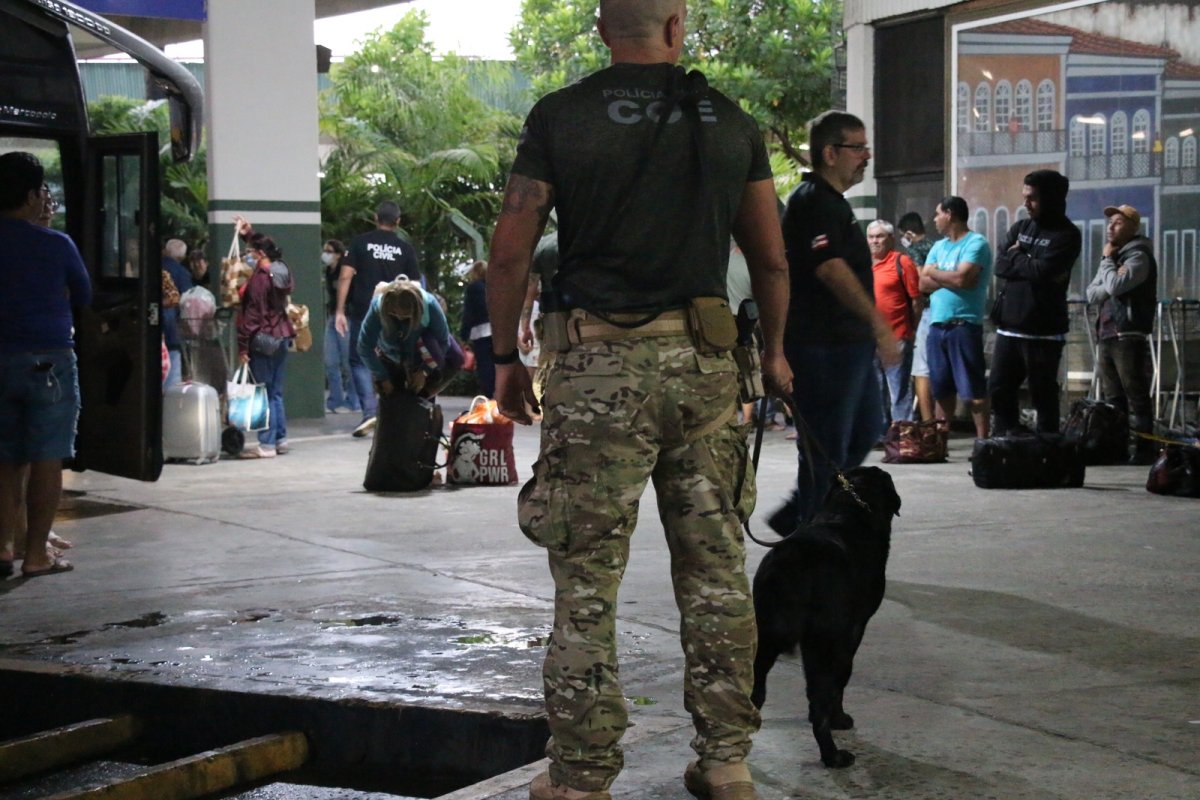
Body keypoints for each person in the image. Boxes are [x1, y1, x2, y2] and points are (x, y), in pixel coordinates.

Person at [485, 2, 793, 798]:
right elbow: (771, 262)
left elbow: (510, 248)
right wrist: (778, 352)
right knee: (717, 571)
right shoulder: (729, 119)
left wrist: (502, 359)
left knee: (586, 580)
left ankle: (582, 778)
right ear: (677, 24)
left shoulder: (562, 116)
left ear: (600, 27)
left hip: (595, 376)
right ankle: (726, 762)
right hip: (707, 369)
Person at [769, 110, 899, 532]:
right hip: (821, 346)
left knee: (866, 430)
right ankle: (810, 533)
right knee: (826, 447)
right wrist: (879, 324)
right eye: (857, 147)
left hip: (847, 345)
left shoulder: (834, 204)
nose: (866, 156)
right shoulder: (813, 202)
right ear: (830, 153)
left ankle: (800, 514)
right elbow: (830, 268)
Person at [0, 151, 92, 578]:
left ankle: (4, 547)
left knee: (6, 457)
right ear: (35, 195)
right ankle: (36, 554)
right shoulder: (56, 244)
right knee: (46, 457)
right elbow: (85, 297)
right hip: (49, 361)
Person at [990, 170, 1082, 435]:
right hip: (1009, 327)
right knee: (998, 387)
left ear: (1051, 199)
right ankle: (1008, 440)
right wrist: (1027, 261)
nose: (1026, 204)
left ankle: (1047, 448)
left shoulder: (1067, 235)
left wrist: (1017, 258)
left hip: (1043, 330)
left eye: (1033, 198)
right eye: (1024, 197)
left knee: (1042, 394)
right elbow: (999, 265)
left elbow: (1043, 272)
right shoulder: (1021, 227)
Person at [334, 201, 421, 438]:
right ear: (398, 221)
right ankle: (395, 415)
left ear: (375, 218)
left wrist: (340, 310)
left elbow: (345, 275)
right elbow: (415, 285)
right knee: (396, 359)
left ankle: (370, 412)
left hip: (365, 310)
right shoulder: (405, 248)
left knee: (360, 359)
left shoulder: (360, 243)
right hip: (397, 314)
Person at [1086, 204, 1158, 464]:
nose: (1110, 227)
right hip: (1106, 334)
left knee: (1135, 392)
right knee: (1112, 396)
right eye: (1109, 222)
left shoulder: (1138, 256)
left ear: (1132, 226)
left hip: (1128, 333)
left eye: (1117, 222)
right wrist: (1110, 274)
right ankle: (1115, 446)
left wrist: (1108, 266)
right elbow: (1092, 294)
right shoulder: (1113, 259)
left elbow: (1116, 286)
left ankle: (1144, 448)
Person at [919, 197, 992, 439]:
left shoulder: (976, 243)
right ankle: (941, 441)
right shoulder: (938, 247)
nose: (934, 219)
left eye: (938, 214)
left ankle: (983, 441)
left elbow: (964, 279)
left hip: (964, 325)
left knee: (973, 390)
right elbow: (923, 283)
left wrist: (935, 273)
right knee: (940, 388)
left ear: (950, 214)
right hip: (937, 325)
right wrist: (947, 277)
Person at [233, 219, 295, 458]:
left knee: (263, 391)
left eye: (250, 252)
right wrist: (249, 234)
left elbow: (252, 316)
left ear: (259, 254)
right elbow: (266, 245)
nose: (247, 256)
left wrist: (242, 346)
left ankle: (266, 444)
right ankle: (280, 439)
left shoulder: (259, 280)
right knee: (275, 392)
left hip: (263, 339)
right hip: (282, 336)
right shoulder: (281, 270)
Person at [357, 278, 463, 401]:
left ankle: (424, 399)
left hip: (422, 353)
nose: (400, 318)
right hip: (389, 354)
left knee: (420, 397)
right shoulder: (378, 307)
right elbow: (364, 346)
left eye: (406, 317)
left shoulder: (429, 305)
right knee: (391, 398)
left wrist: (424, 371)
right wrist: (382, 377)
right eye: (394, 315)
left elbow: (443, 342)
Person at [869, 220, 921, 426]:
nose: (875, 241)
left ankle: (903, 435)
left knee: (899, 390)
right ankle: (880, 434)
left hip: (897, 335)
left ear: (891, 239)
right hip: (870, 339)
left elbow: (916, 300)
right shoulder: (863, 264)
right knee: (875, 390)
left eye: (880, 236)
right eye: (871, 237)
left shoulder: (902, 262)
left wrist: (912, 329)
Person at [898, 211, 936, 421]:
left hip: (926, 311)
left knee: (921, 368)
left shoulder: (914, 251)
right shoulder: (935, 246)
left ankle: (926, 419)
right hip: (939, 310)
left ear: (909, 233)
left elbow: (919, 283)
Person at [321, 239, 361, 415]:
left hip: (346, 317)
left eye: (329, 251)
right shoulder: (329, 272)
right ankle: (335, 399)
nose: (325, 254)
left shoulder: (345, 270)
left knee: (347, 361)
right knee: (330, 361)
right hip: (332, 316)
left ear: (338, 254)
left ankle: (353, 400)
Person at [459, 260, 495, 397]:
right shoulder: (493, 287)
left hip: (481, 332)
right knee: (496, 364)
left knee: (484, 365)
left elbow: (469, 313)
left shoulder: (473, 288)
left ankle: (489, 394)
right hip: (497, 331)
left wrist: (464, 335)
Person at [161, 238, 194, 387]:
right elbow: (187, 301)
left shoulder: (152, 267)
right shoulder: (183, 273)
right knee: (172, 374)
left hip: (156, 328)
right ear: (182, 257)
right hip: (173, 330)